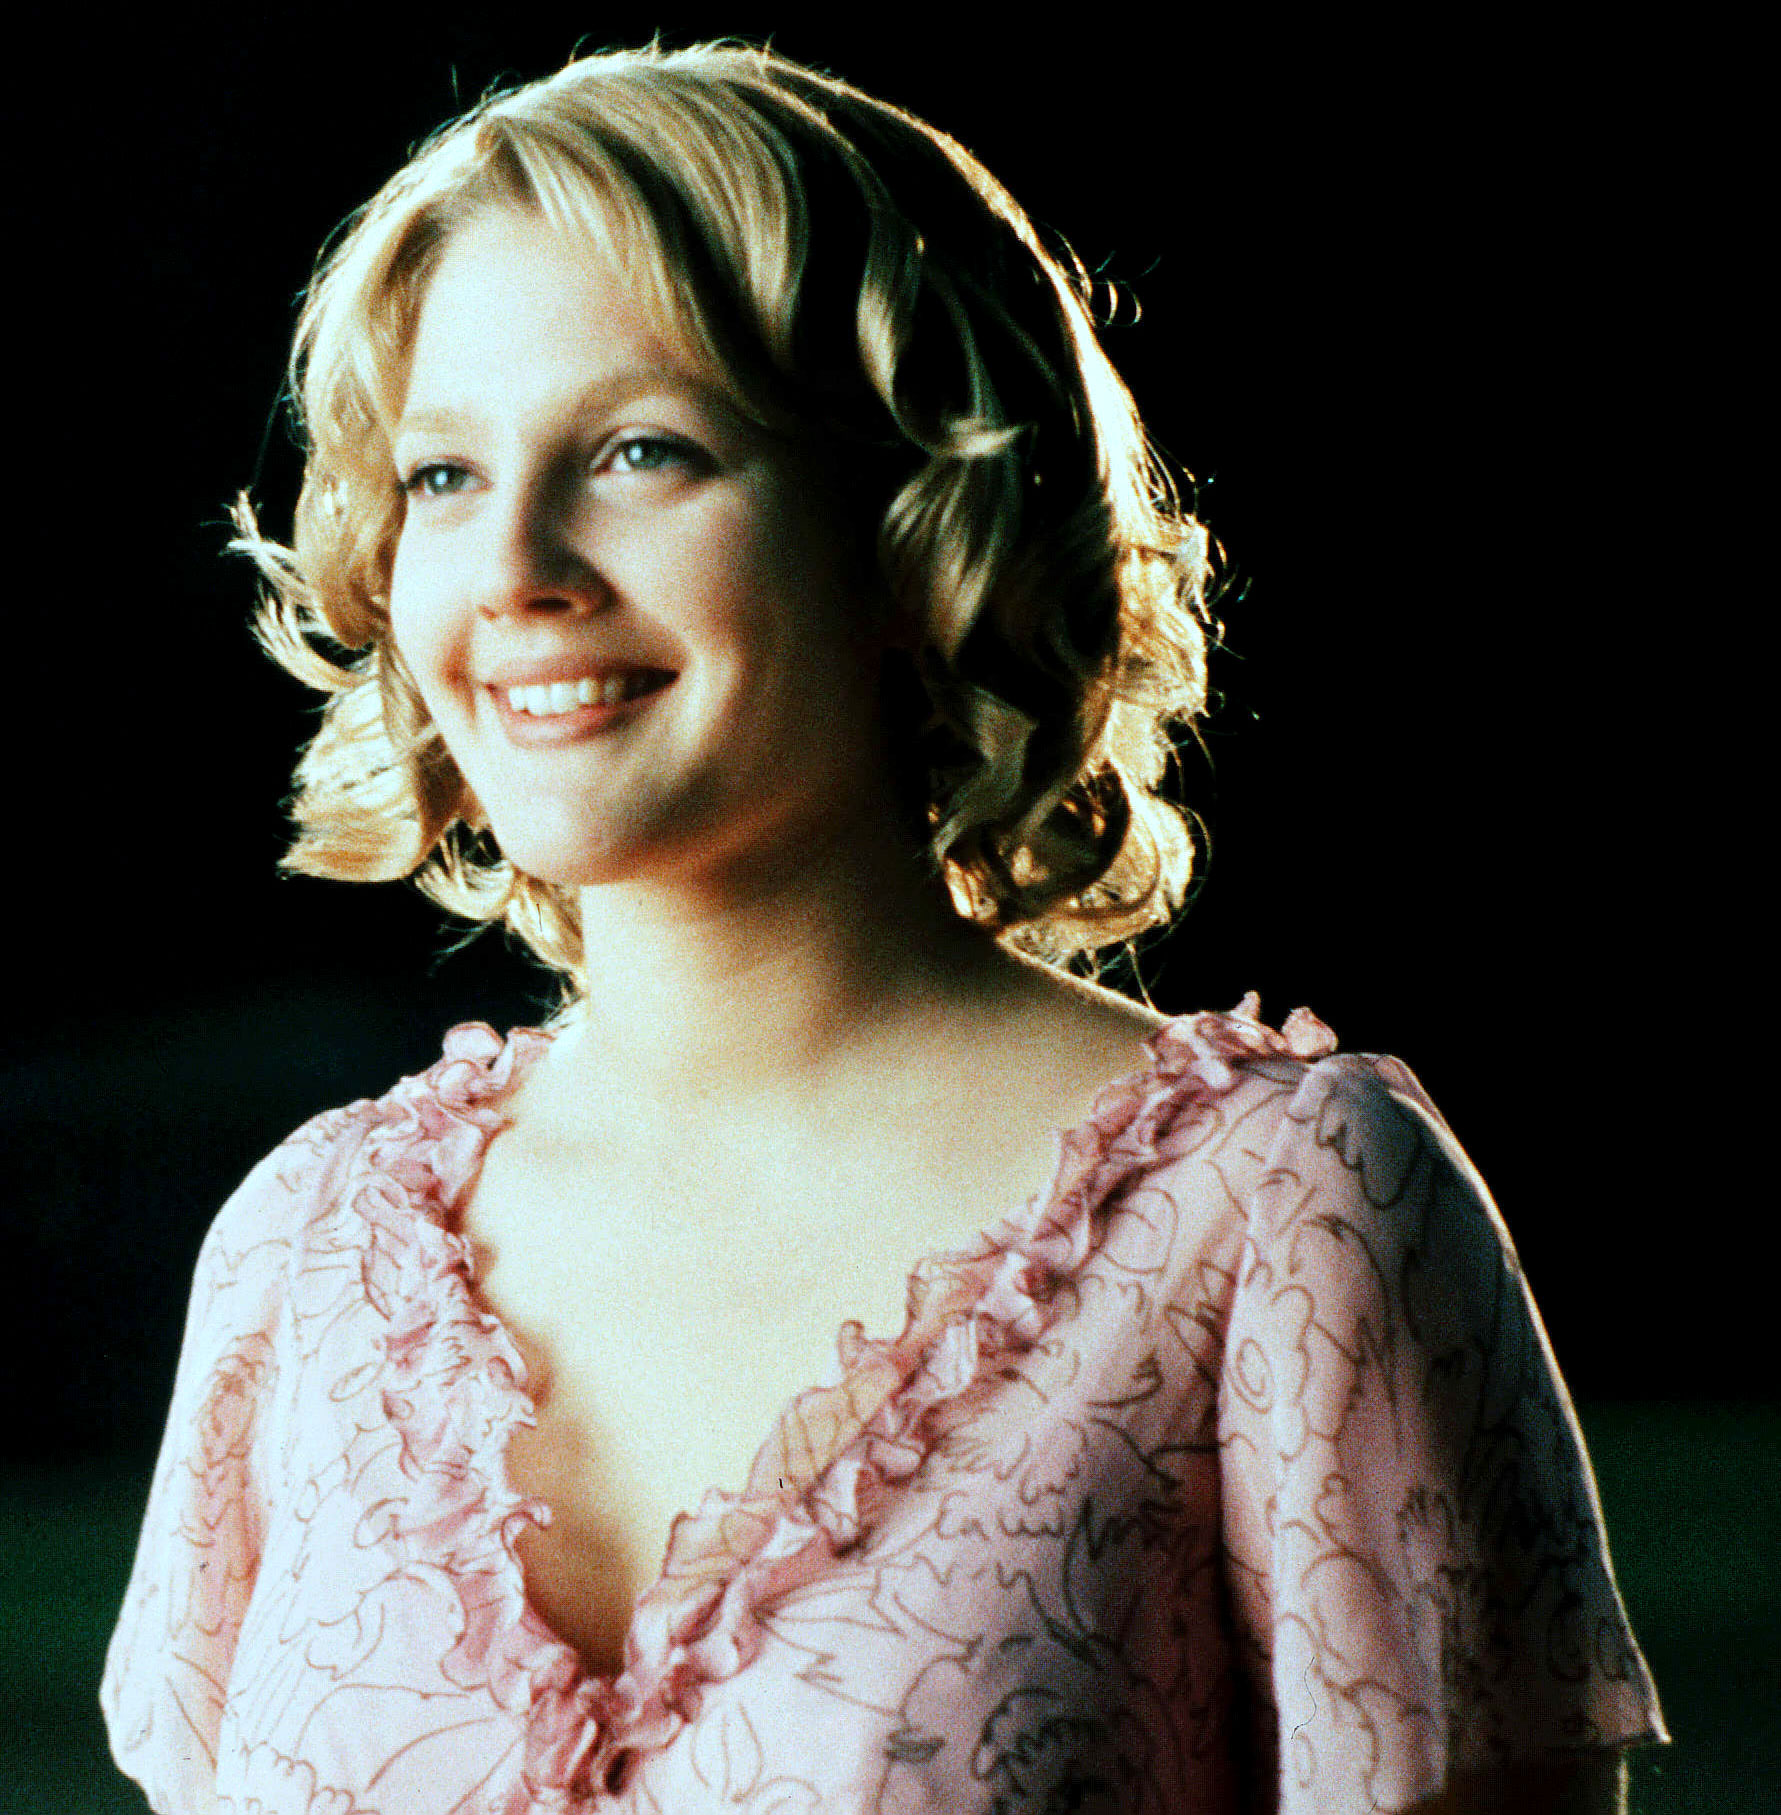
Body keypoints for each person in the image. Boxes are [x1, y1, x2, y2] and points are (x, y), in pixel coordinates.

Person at [100, 39, 1666, 1814]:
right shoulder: (302, 1254)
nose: (517, 564)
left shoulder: (1283, 1216)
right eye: (445, 474)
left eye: (642, 450)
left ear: (918, 520)